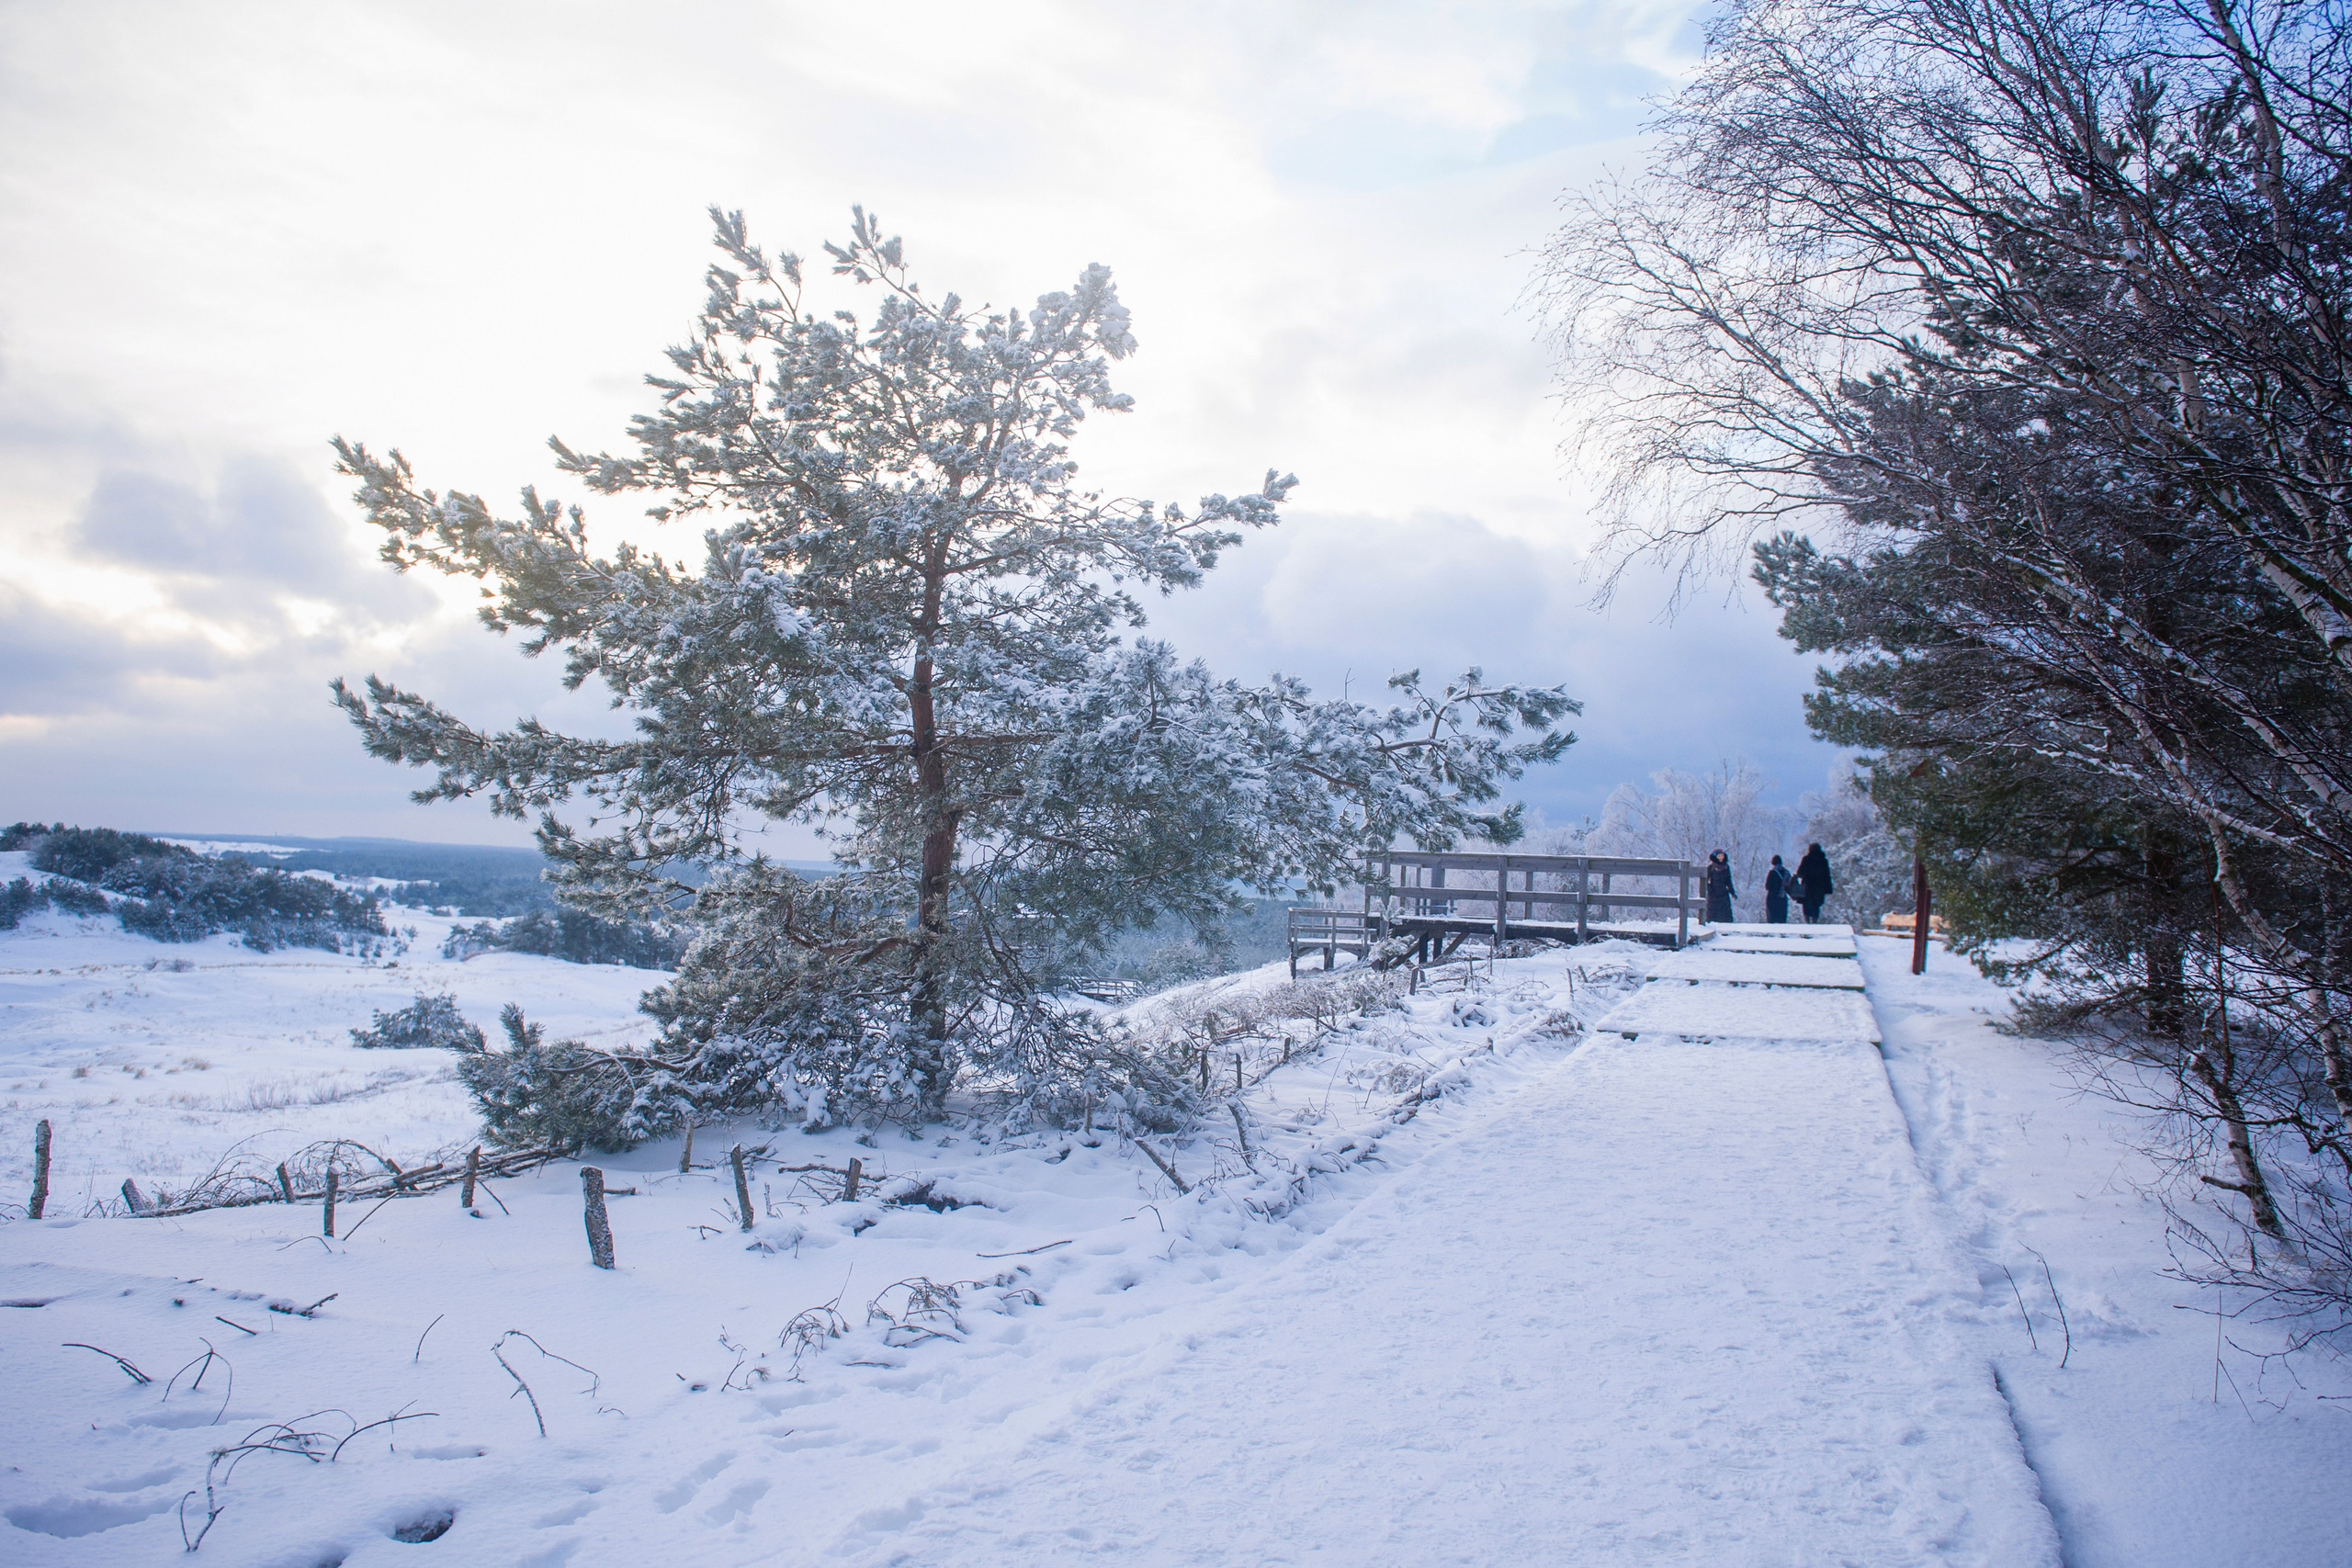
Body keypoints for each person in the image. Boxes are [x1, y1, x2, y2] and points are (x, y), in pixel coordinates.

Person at [1795, 841, 1834, 924]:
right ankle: (1815, 921)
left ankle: (1807, 922)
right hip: (1819, 888)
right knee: (1816, 905)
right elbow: (1827, 875)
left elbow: (1800, 872)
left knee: (1806, 905)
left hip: (1807, 887)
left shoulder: (1806, 859)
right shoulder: (1823, 861)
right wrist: (1828, 888)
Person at [1703, 849, 1736, 924]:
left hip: (1723, 893)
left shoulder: (1726, 867)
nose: (1721, 857)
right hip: (1713, 894)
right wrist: (1710, 890)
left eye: (1722, 856)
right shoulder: (1711, 868)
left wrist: (1732, 892)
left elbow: (1728, 880)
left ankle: (1726, 929)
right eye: (1719, 856)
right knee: (1713, 913)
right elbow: (1705, 881)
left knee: (1725, 913)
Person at [1764, 854, 1792, 924]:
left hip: (1772, 898)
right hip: (1783, 898)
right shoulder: (1787, 873)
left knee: (1772, 919)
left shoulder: (1772, 873)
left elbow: (1767, 886)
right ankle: (1782, 934)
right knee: (1782, 919)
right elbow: (1790, 886)